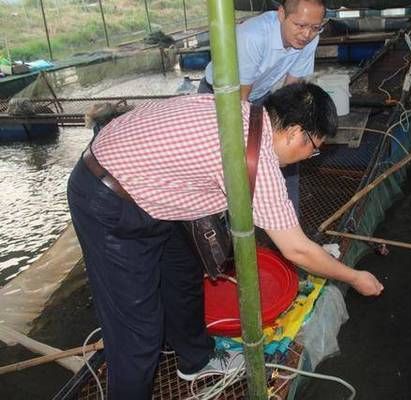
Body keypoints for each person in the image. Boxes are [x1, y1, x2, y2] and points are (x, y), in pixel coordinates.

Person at [67, 82, 384, 399]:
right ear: (294, 133)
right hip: (108, 198)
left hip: (150, 189)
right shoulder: (255, 157)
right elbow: (297, 249)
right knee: (138, 336)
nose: (309, 156)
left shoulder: (243, 114)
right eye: (313, 147)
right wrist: (354, 277)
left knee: (182, 273)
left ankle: (195, 359)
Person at [200, 0, 327, 214]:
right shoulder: (253, 36)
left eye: (315, 28)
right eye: (300, 25)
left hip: (259, 95)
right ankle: (223, 225)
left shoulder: (310, 40)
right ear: (281, 14)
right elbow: (239, 105)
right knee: (228, 160)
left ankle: (286, 218)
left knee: (289, 152)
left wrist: (286, 132)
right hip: (222, 97)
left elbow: (292, 91)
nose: (307, 34)